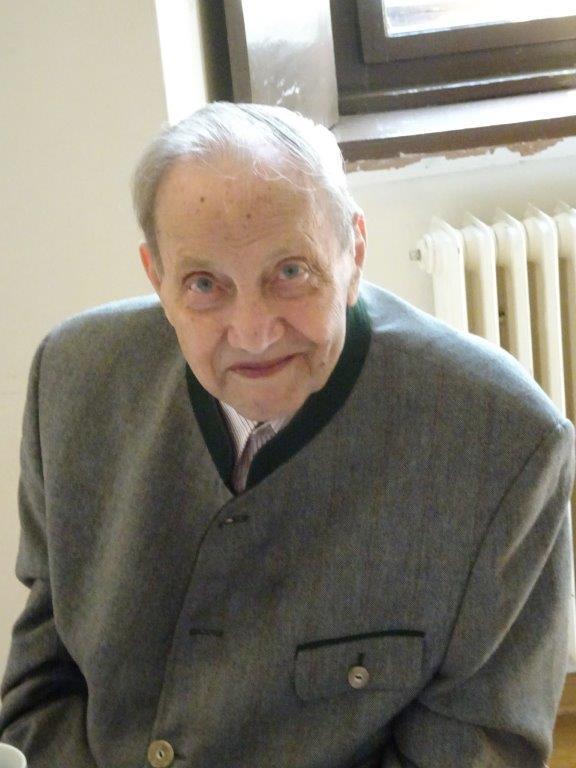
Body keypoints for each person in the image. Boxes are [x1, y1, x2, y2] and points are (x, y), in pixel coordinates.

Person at [0, 102, 574, 768]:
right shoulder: (73, 381)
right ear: (156, 278)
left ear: (354, 251)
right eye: (204, 284)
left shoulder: (503, 444)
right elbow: (39, 692)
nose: (253, 332)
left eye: (291, 272)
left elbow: (476, 750)